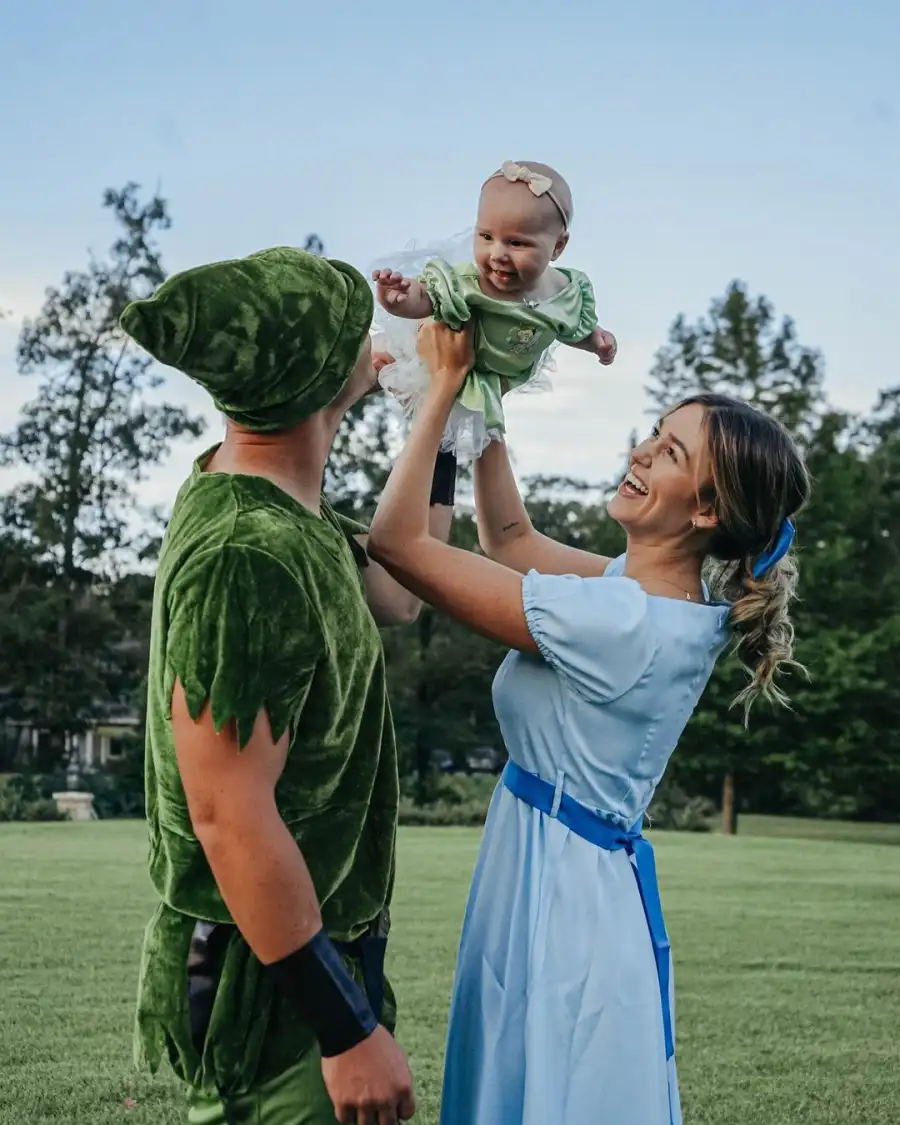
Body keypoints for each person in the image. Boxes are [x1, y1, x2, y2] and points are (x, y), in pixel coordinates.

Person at [367, 320, 810, 1125]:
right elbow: (508, 538)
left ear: (707, 508)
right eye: (654, 433)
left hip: (564, 901)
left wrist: (439, 390)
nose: (641, 451)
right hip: (558, 872)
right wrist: (484, 387)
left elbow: (397, 544)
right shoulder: (646, 596)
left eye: (670, 453)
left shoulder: (620, 621)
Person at [119, 247, 459, 1125]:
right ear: (314, 373)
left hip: (313, 952)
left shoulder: (282, 508)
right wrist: (345, 1030)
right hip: (270, 990)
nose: (374, 339)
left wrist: (447, 419)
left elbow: (401, 592)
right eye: (353, 330)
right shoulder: (247, 553)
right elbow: (228, 812)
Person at [370, 160, 618, 459]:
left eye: (516, 243)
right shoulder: (469, 281)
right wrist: (400, 298)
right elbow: (427, 297)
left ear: (557, 247)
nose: (497, 254)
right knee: (390, 356)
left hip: (484, 380)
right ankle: (373, 362)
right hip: (436, 352)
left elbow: (572, 327)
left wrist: (596, 342)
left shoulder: (564, 292)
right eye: (486, 237)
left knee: (465, 444)